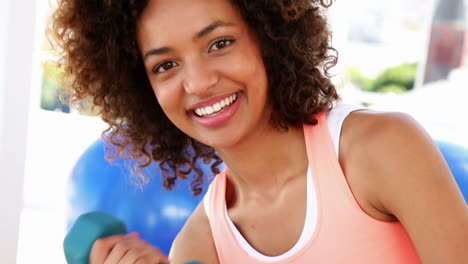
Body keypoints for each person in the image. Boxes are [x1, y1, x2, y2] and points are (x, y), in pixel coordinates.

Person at [48, 0, 468, 263]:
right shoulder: (199, 246)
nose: (197, 82)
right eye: (165, 65)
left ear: (269, 38)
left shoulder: (378, 152)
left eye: (219, 43)